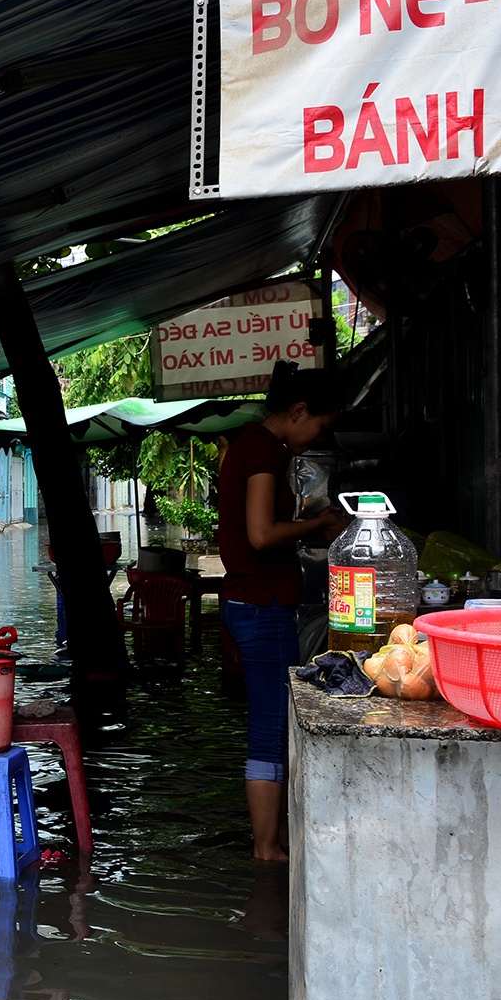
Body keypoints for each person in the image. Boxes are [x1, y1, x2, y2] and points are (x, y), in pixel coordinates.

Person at [216, 362, 345, 863]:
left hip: (253, 601)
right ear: (297, 411)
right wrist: (316, 524)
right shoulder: (263, 451)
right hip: (261, 604)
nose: (317, 437)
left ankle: (275, 839)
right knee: (270, 726)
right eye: (319, 425)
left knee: (274, 721)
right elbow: (261, 534)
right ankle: (267, 849)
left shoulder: (248, 446)